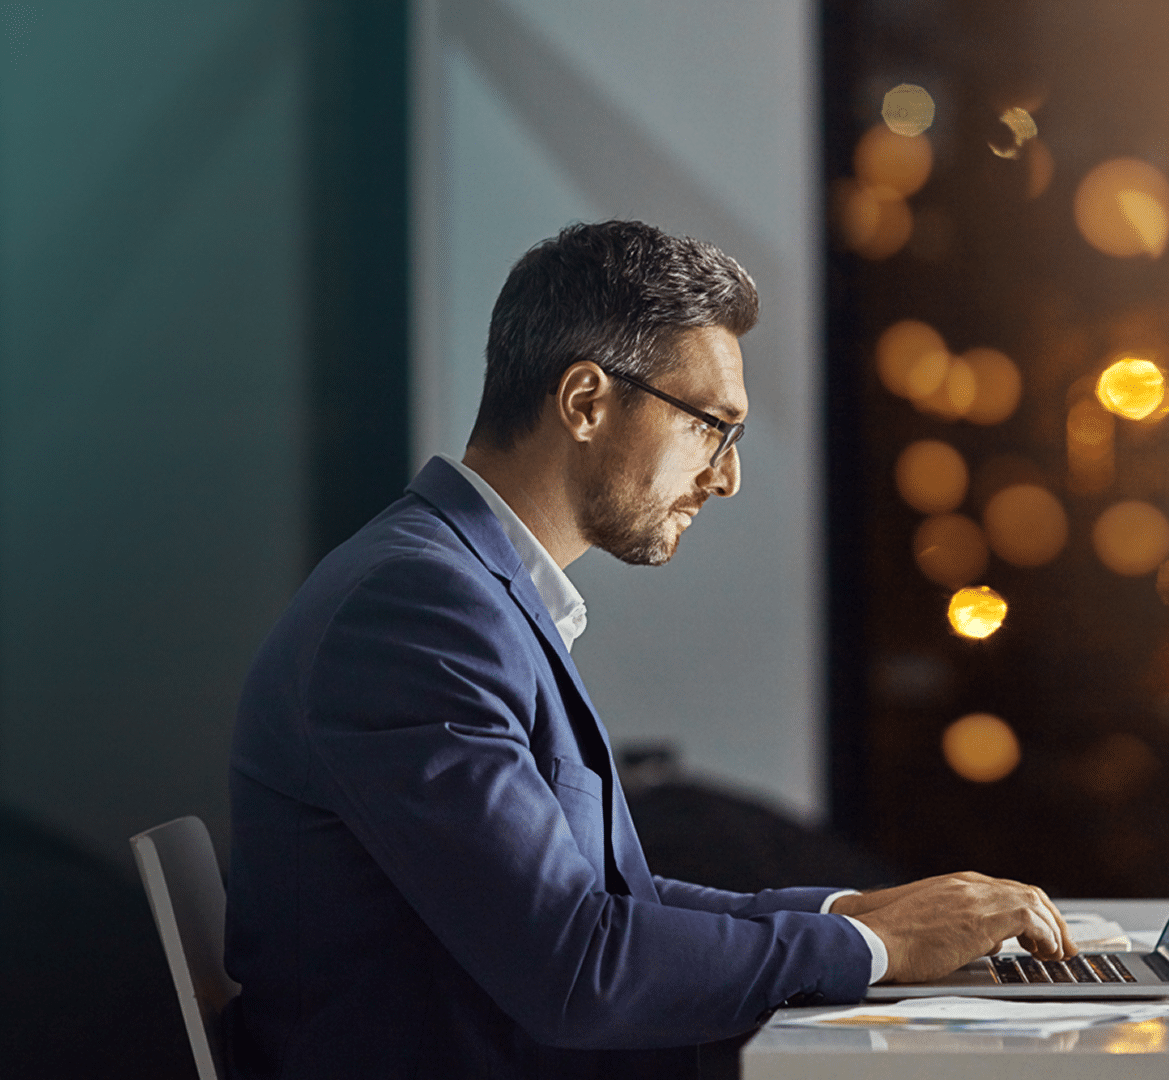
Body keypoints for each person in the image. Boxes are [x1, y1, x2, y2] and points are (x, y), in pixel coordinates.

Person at [222, 221, 1075, 1079]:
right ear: (586, 403)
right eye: (712, 426)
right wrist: (877, 949)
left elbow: (606, 902)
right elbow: (578, 965)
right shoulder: (418, 608)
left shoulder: (462, 588)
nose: (726, 477)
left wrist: (857, 916)